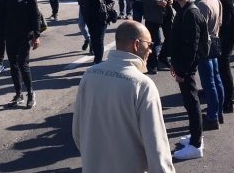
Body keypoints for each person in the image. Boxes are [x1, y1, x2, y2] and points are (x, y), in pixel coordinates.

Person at [72, 20, 175, 173]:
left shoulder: (90, 74)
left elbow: (77, 131)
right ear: (136, 44)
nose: (151, 50)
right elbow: (156, 147)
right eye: (150, 44)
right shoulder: (142, 85)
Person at [168, 0, 207, 161]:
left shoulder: (191, 12)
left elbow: (192, 45)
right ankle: (195, 136)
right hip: (182, 65)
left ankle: (196, 145)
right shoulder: (182, 9)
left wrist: (184, 71)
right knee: (189, 103)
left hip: (187, 67)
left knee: (192, 103)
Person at [0, 0, 41, 108]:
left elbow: (35, 16)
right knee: (13, 65)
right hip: (9, 36)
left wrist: (36, 36)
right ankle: (18, 93)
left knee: (23, 64)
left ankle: (31, 93)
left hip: (25, 36)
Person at [193, 0, 224, 129]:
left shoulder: (202, 4)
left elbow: (198, 29)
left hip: (206, 45)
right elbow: (220, 21)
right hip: (215, 40)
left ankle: (213, 117)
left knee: (209, 82)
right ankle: (218, 112)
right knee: (216, 79)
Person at [139, 0, 172, 74]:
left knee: (171, 36)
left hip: (166, 11)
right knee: (152, 40)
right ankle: (152, 64)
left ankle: (163, 57)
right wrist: (156, 1)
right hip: (152, 13)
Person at [78, 0, 115, 64]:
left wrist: (106, 8)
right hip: (90, 20)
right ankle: (97, 58)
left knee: (99, 40)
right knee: (94, 40)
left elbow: (111, 2)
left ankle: (98, 61)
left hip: (101, 19)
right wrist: (84, 14)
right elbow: (82, 3)